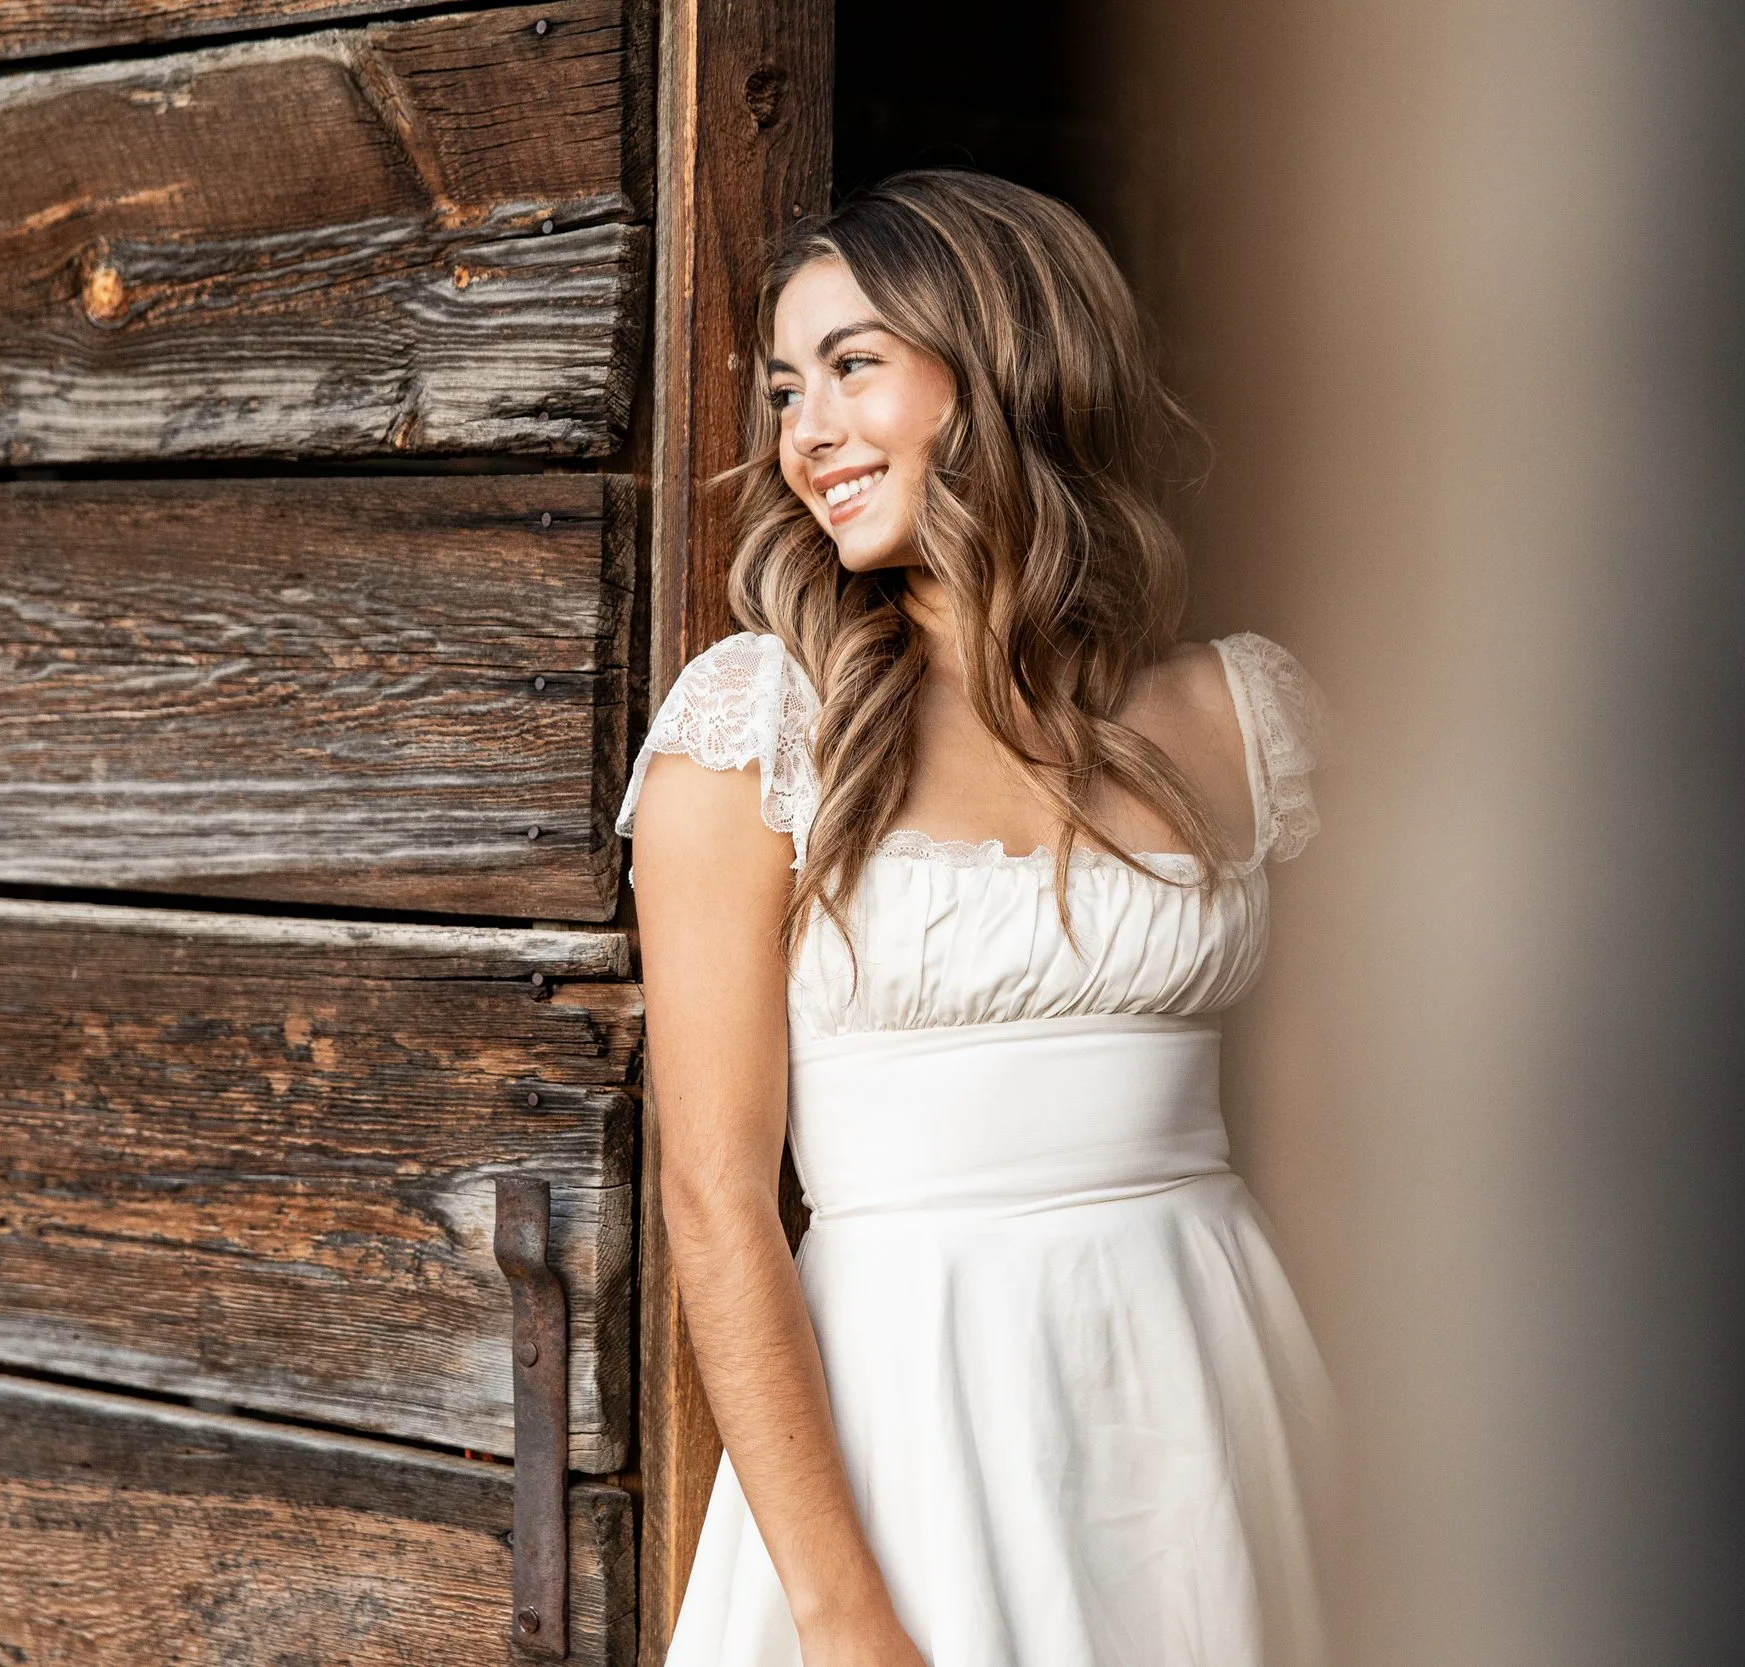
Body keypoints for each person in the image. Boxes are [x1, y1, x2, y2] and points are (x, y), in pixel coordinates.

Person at [619, 169, 1332, 1667]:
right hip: (911, 1414)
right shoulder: (755, 729)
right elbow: (715, 1197)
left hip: (1208, 1384)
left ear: (1002, 362)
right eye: (784, 388)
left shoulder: (1250, 715)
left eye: (853, 366)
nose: (806, 432)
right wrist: (842, 1613)